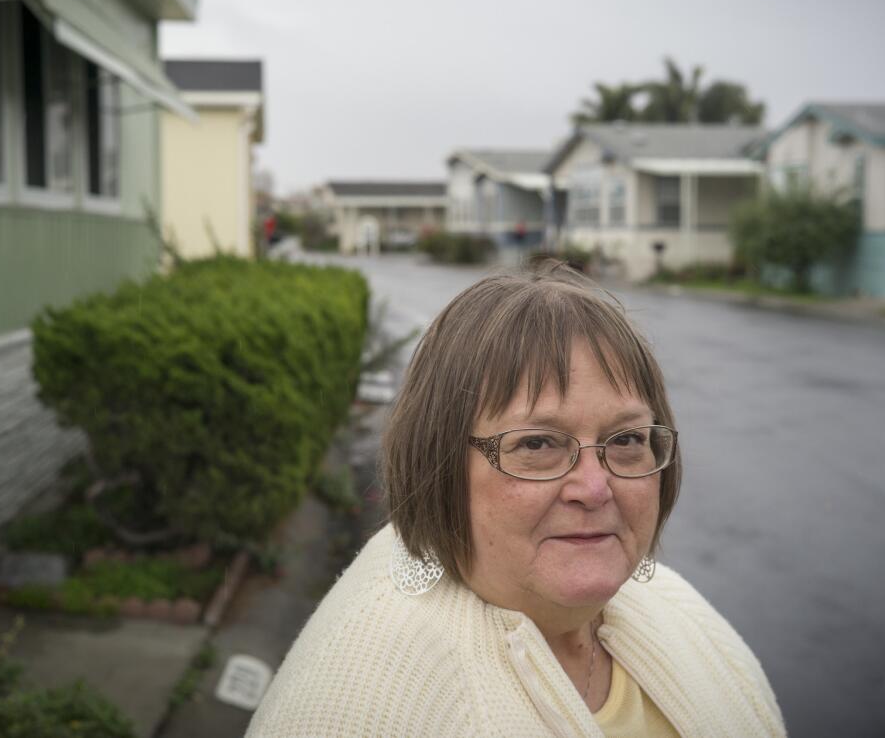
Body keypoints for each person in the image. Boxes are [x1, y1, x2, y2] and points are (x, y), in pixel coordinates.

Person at [247, 264, 785, 737]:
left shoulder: (671, 602)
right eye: (537, 444)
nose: (595, 488)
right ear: (438, 464)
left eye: (625, 440)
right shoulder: (354, 704)